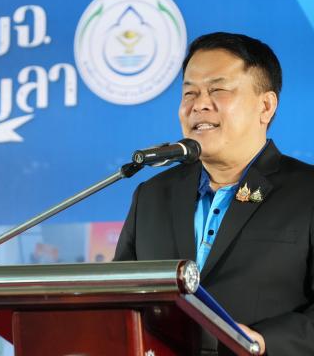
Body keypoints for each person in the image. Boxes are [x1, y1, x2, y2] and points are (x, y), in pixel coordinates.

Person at [114, 32, 314, 355]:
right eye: (189, 93)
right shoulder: (151, 197)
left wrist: (262, 342)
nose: (199, 104)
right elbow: (118, 302)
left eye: (217, 90)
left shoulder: (307, 192)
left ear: (265, 106)